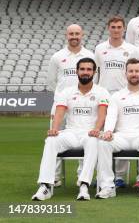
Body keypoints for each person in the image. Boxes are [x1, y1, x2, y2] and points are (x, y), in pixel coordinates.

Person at [32, 58, 109, 201]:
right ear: (77, 71)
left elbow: (102, 114)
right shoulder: (67, 92)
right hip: (71, 133)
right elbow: (59, 113)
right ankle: (46, 186)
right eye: (82, 69)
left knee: (92, 141)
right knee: (50, 140)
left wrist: (97, 129)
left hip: (90, 133)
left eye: (89, 69)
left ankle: (84, 185)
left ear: (94, 72)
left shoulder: (102, 92)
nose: (85, 72)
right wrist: (54, 129)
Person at [96, 58, 139, 199]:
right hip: (122, 136)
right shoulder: (117, 96)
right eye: (130, 71)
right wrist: (108, 131)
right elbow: (111, 116)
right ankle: (108, 186)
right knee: (103, 143)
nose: (134, 74)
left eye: (137, 71)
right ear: (125, 74)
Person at [46, 24, 94, 187]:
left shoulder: (89, 55)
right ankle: (54, 176)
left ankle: (82, 176)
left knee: (85, 137)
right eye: (71, 33)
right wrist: (61, 96)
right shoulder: (57, 56)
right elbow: (51, 81)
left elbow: (95, 79)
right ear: (66, 35)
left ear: (82, 35)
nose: (74, 36)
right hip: (60, 104)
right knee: (54, 137)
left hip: (84, 104)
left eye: (77, 33)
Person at [94, 15, 136, 188]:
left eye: (119, 27)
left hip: (122, 97)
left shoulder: (132, 49)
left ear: (124, 29)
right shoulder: (99, 49)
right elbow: (96, 73)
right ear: (108, 28)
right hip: (104, 96)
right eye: (113, 27)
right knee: (103, 136)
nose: (116, 30)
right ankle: (102, 175)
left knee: (120, 134)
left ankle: (119, 176)